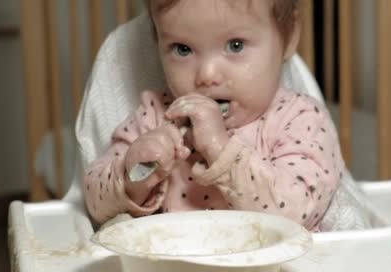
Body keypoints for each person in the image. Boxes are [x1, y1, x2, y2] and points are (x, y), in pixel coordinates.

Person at [83, 0, 345, 232]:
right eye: (182, 49)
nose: (206, 75)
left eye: (235, 45)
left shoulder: (298, 119)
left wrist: (222, 152)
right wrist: (134, 175)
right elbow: (95, 203)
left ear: (288, 38)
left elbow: (299, 211)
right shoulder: (155, 117)